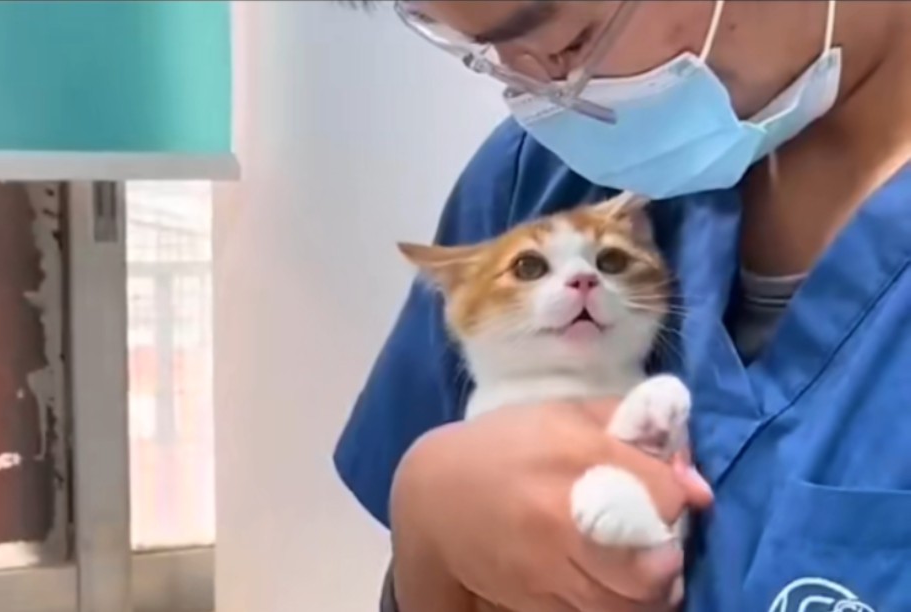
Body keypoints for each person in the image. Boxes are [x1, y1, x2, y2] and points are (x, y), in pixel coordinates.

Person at [333, 1, 911, 610]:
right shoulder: (542, 185)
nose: (545, 97)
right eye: (483, 54)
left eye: (568, 42)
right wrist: (427, 530)